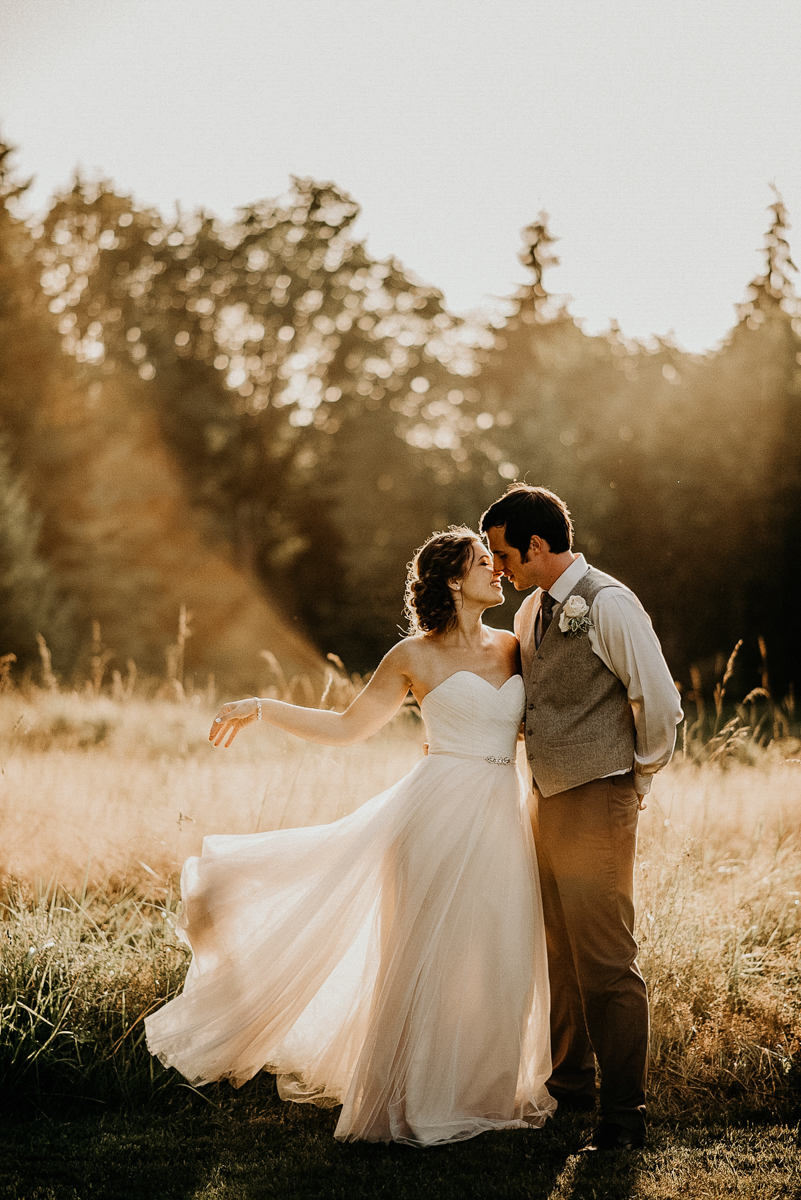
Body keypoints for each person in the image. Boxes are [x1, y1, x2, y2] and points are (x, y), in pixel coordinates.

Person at [145, 528, 556, 1147]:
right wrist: (264, 706)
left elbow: (530, 723)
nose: (496, 570)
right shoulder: (412, 657)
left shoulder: (513, 646)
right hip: (434, 817)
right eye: (481, 563)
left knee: (498, 949)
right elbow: (346, 727)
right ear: (452, 580)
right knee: (427, 958)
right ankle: (416, 1102)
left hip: (501, 813)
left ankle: (482, 1094)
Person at [480, 485, 683, 1153]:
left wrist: (635, 781)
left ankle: (622, 1120)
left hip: (598, 797)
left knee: (604, 962)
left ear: (536, 547)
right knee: (558, 952)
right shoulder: (532, 610)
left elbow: (657, 702)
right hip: (544, 798)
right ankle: (570, 1092)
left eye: (503, 553)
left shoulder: (607, 603)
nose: (497, 565)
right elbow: (543, 701)